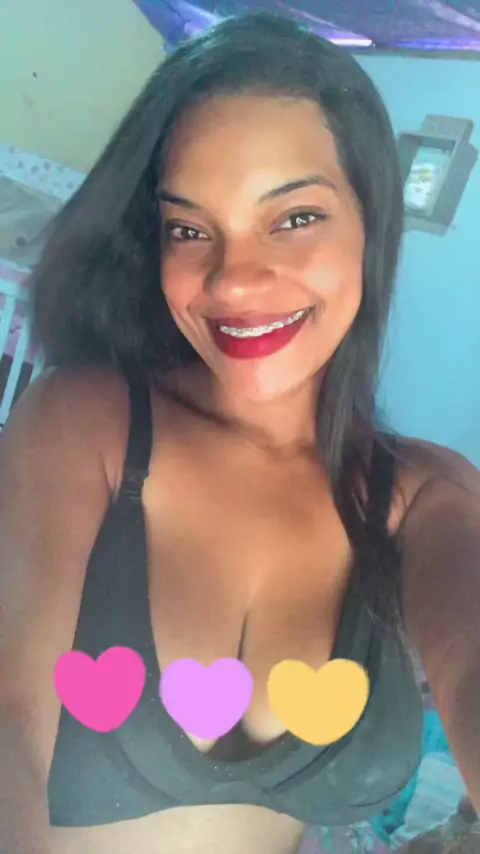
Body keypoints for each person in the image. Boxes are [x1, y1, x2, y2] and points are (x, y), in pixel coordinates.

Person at [0, 11, 479, 854]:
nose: (234, 280)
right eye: (189, 229)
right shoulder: (85, 422)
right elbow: (10, 724)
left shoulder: (422, 495)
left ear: (371, 227)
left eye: (294, 217)